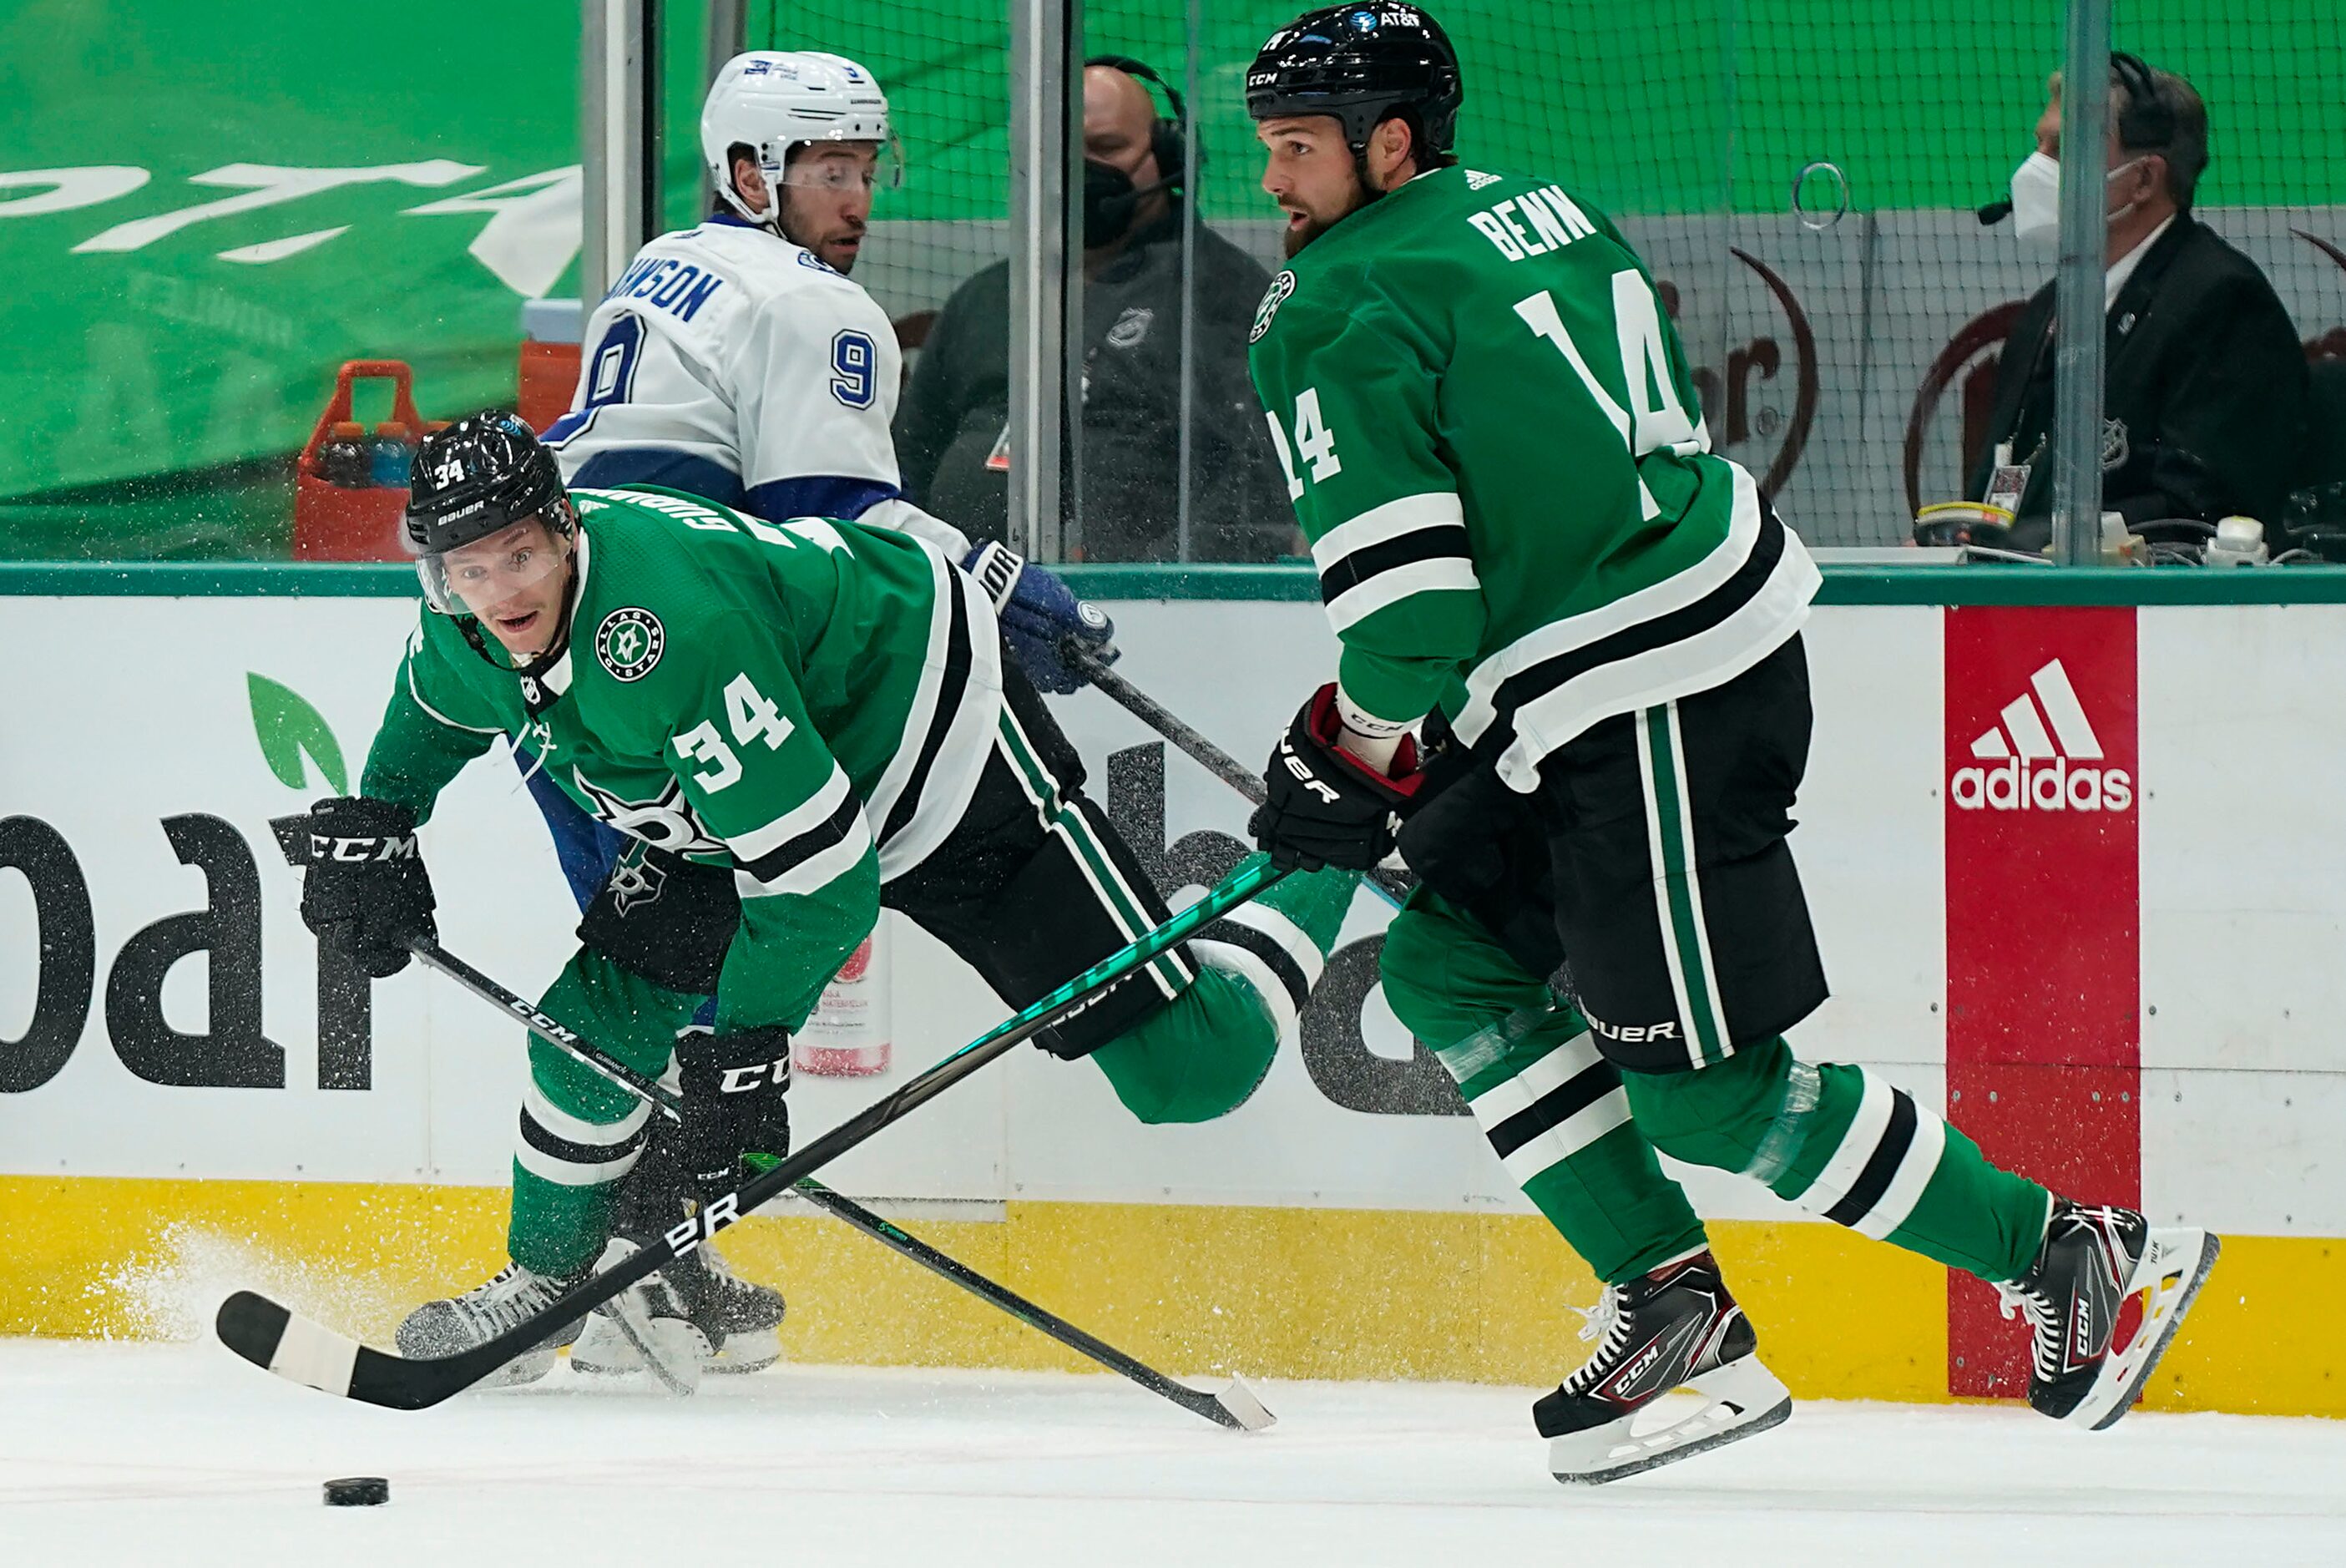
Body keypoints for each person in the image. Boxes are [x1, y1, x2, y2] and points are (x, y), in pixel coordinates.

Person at [1240, 5, 2219, 1483]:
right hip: (1637, 654)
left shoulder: (1334, 305)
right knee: (1449, 961)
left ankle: (2078, 1250)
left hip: (1641, 694)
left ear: (1390, 142)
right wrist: (1375, 748)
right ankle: (1674, 1303)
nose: (1275, 184)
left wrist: (1354, 746)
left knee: (1709, 1090)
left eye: (1298, 151)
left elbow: (1412, 619)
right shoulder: (1539, 206)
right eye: (1267, 151)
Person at [294, 413, 1358, 1388]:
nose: (501, 594)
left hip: (929, 745)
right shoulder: (466, 619)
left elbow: (819, 885)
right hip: (742, 808)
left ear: (565, 530)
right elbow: (432, 713)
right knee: (589, 1028)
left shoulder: (670, 628)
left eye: (518, 557)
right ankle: (544, 1289)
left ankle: (1328, 845)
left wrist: (749, 1049)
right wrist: (376, 824)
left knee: (1192, 1069)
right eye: (470, 569)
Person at [544, 48, 1111, 701]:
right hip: (674, 635)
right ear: (752, 178)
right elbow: (827, 522)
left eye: (867, 174)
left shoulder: (657, 260)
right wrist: (991, 584)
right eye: (833, 174)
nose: (858, 205)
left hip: (563, 629)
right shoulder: (809, 298)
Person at [895, 57, 1296, 563]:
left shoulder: (1220, 294)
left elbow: (1253, 489)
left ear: (1170, 155)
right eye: (1062, 150)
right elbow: (912, 458)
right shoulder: (987, 295)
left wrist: (1147, 581)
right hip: (962, 605)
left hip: (1145, 616)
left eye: (1106, 148)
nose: (1081, 170)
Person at [1958, 54, 2308, 549]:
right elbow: (2009, 466)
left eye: (2064, 149)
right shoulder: (2047, 311)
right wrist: (1961, 538)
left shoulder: (2225, 304)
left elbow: (2202, 509)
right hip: (2026, 591)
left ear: (2143, 180)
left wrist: (2037, 543)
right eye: (2040, 144)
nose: (2035, 169)